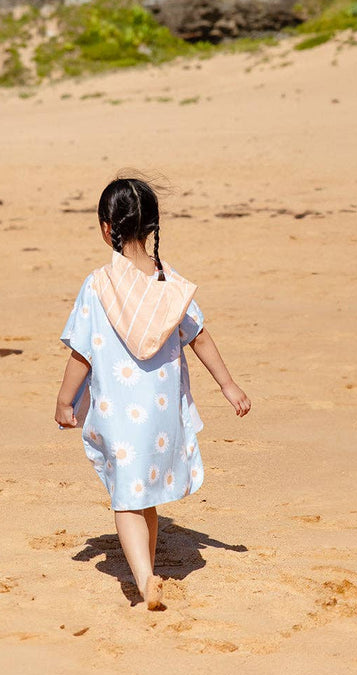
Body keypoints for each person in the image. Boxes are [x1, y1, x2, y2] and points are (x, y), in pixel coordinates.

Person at [55, 176, 251, 610]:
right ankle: (149, 570)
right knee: (145, 496)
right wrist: (228, 384)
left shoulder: (98, 285)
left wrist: (65, 401)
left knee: (126, 496)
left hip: (118, 412)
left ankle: (145, 580)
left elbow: (82, 356)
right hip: (160, 415)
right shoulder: (171, 286)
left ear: (108, 228)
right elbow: (198, 337)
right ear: (153, 226)